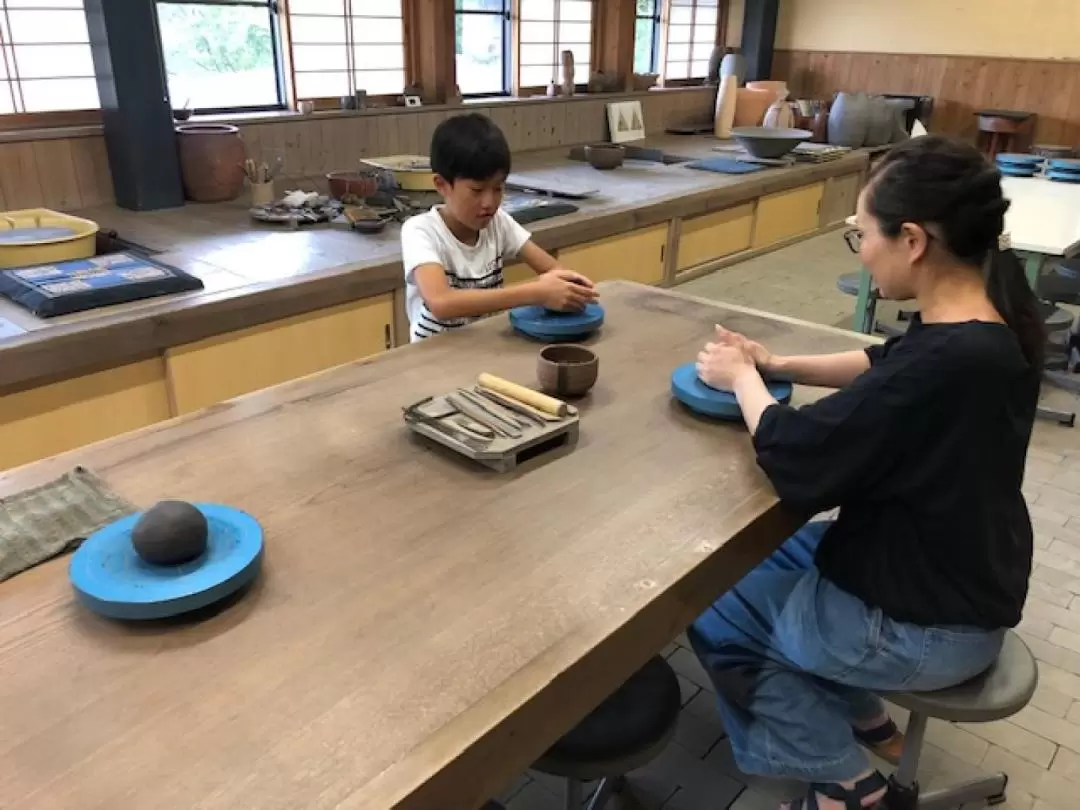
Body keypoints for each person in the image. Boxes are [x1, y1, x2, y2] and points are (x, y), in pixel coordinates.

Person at [689, 136, 1043, 810]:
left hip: (929, 628)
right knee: (767, 553)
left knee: (712, 609)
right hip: (960, 579)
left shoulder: (947, 366)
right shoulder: (992, 326)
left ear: (911, 240)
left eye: (862, 236)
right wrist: (779, 364)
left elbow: (797, 455)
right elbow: (887, 363)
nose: (862, 251)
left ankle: (847, 782)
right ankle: (865, 716)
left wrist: (739, 380)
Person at [400, 113, 597, 342]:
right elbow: (442, 302)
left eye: (498, 189)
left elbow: (551, 269)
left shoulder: (498, 222)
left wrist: (570, 287)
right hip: (432, 359)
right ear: (441, 185)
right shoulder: (421, 231)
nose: (489, 203)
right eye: (477, 190)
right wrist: (536, 292)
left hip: (487, 347)